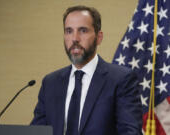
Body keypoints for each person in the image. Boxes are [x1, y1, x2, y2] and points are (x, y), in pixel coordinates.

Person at [31, 5, 143, 135]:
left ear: (99, 37)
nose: (75, 38)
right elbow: (37, 130)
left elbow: (130, 132)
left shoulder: (121, 79)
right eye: (69, 31)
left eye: (83, 30)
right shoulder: (50, 83)